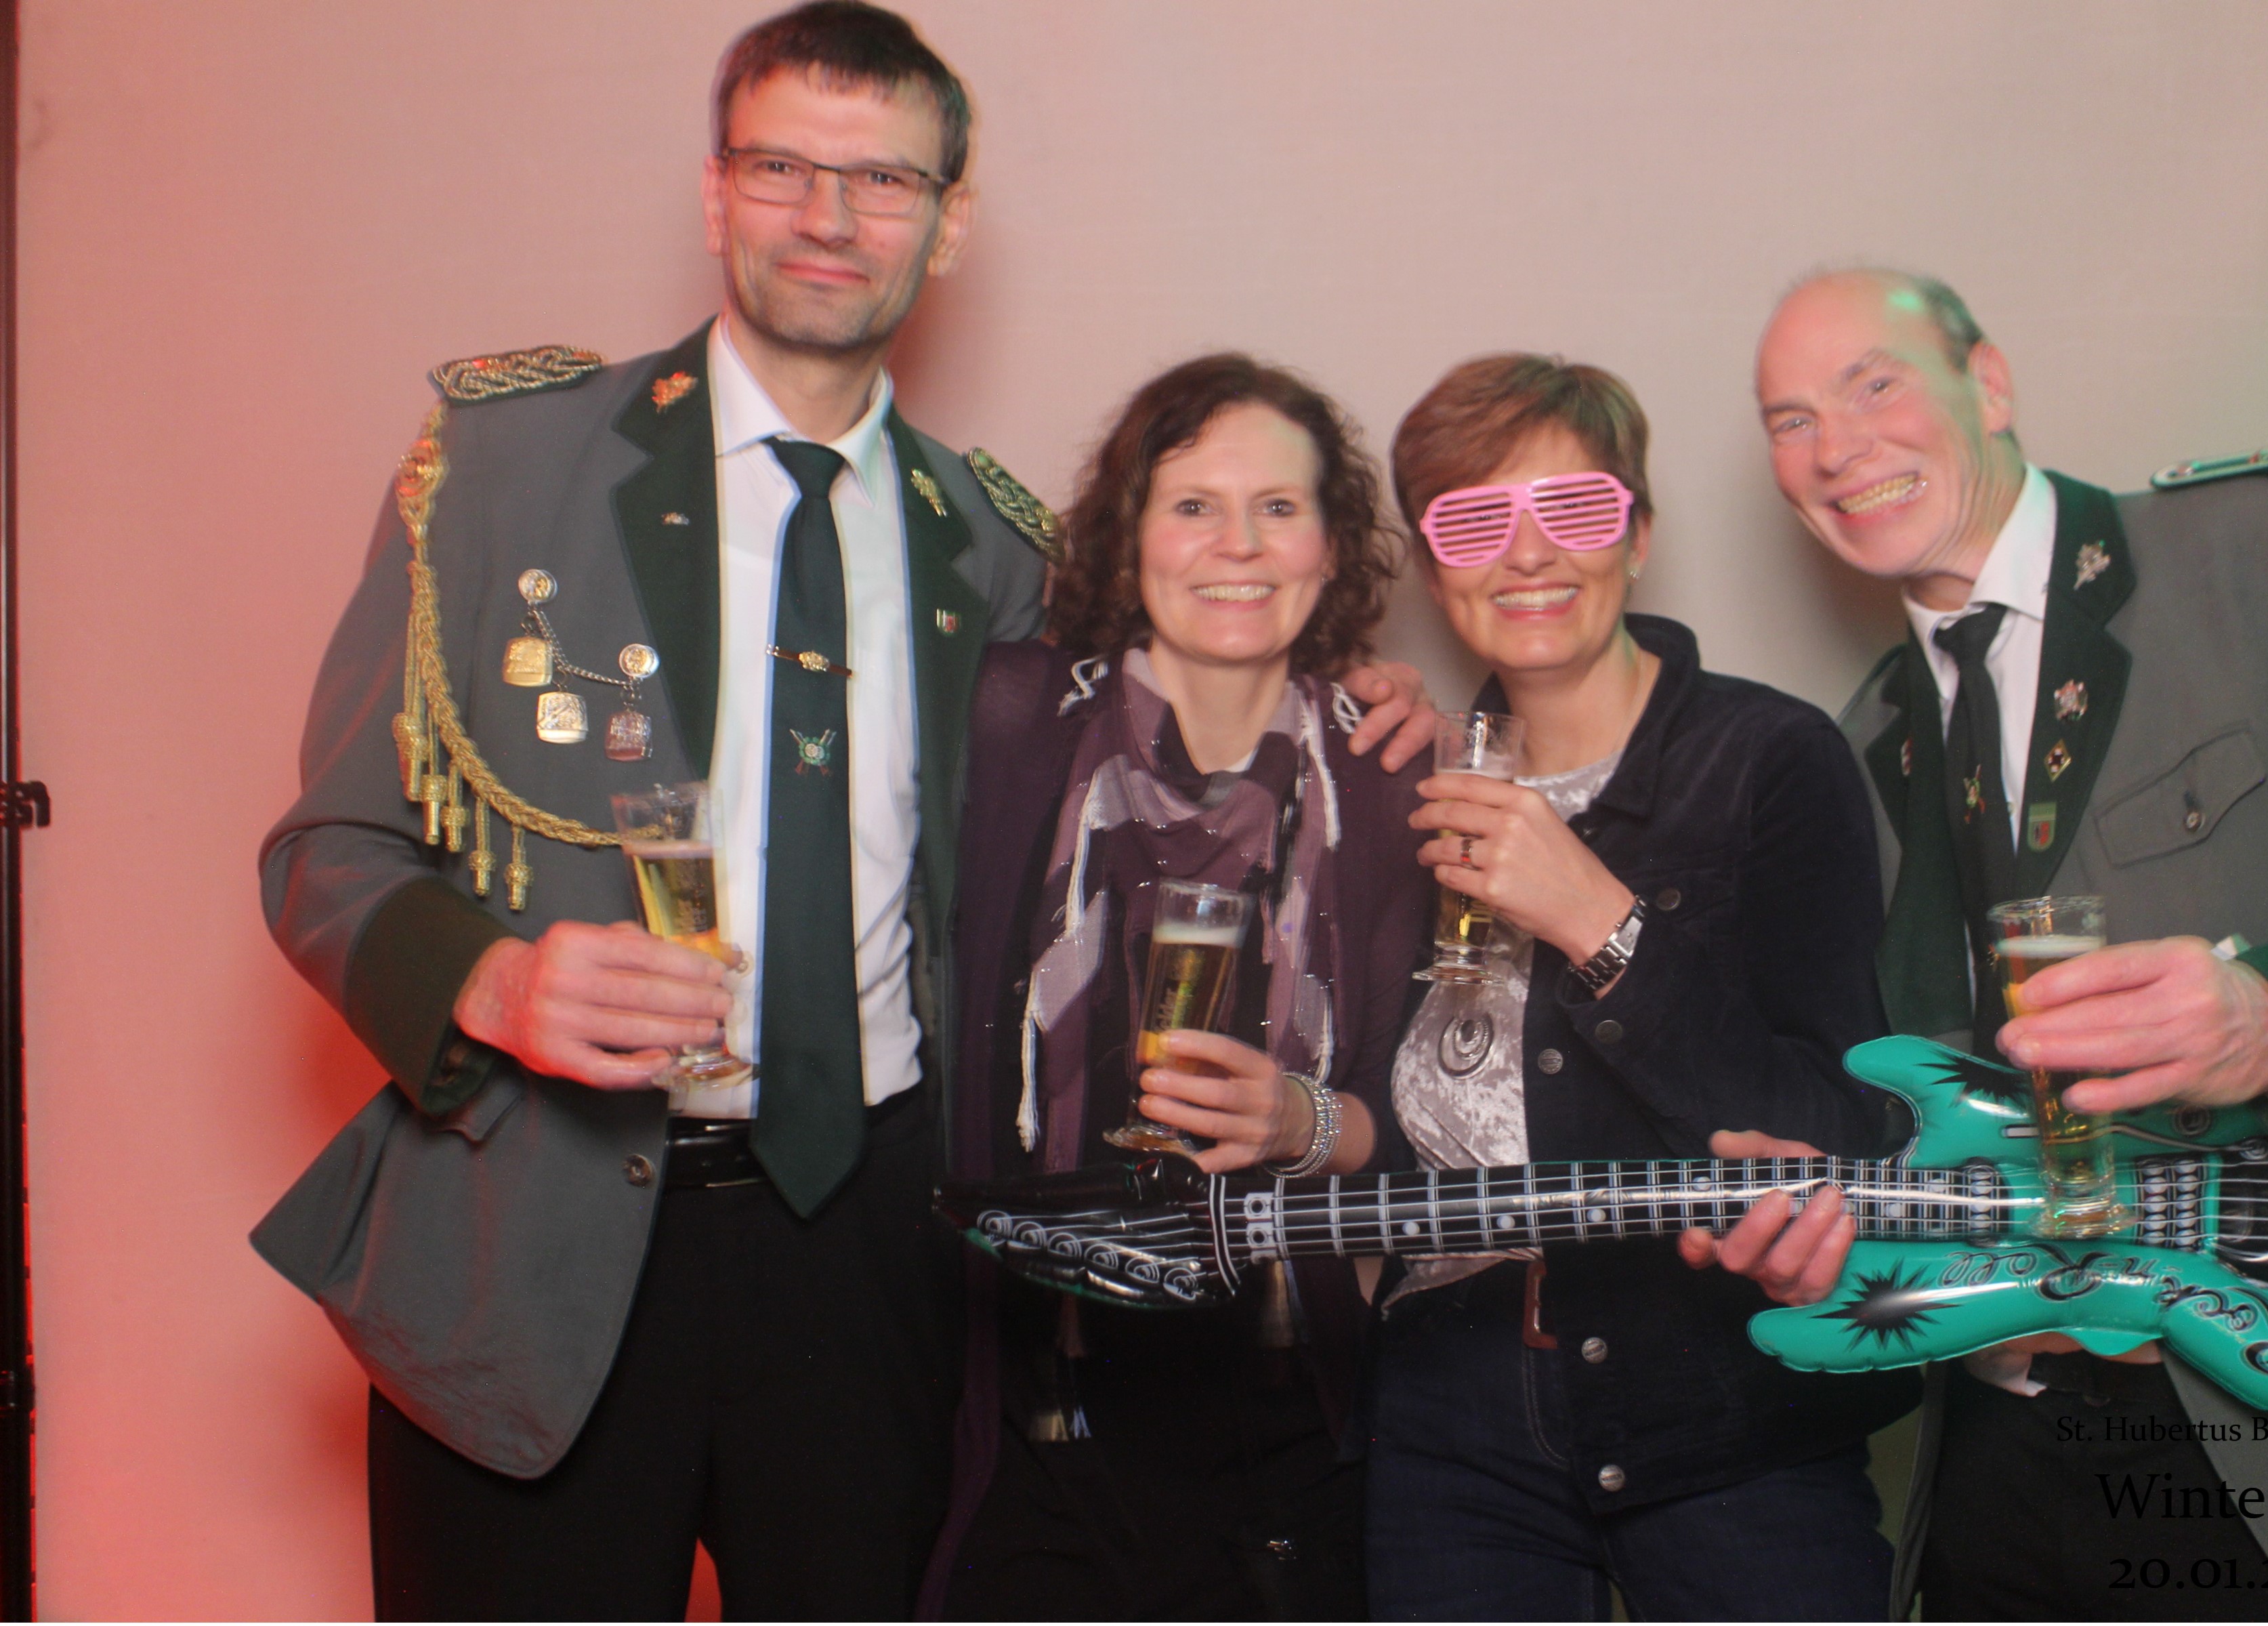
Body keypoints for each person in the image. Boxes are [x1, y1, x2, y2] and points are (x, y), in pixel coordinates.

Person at [249, 6, 1434, 1616]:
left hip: (875, 1257)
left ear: (947, 223)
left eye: (883, 179)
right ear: (715, 191)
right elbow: (328, 850)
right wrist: (493, 981)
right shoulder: (504, 467)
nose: (830, 216)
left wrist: (1357, 687)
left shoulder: (998, 553)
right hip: (534, 1228)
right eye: (783, 167)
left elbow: (1191, 696)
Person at [1683, 266, 2268, 1620]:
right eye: (1789, 420)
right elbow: (1931, 1110)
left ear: (1990, 384)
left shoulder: (2261, 547)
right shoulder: (1858, 747)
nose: (1836, 446)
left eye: (1873, 384)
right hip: (2004, 1458)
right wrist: (1835, 1218)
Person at [1362, 354, 1919, 1622]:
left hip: (1720, 1408)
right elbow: (1406, 1126)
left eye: (1574, 507)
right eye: (1474, 522)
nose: (1527, 553)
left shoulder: (1772, 756)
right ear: (1434, 571)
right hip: (1447, 1418)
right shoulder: (1409, 784)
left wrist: (1598, 922)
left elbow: (1844, 1132)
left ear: (1640, 534)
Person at [924, 355, 1434, 1621]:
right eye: (1194, 504)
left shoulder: (1390, 781)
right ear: (1131, 532)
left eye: (1279, 508)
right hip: (1038, 1405)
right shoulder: (1006, 715)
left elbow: (1426, 1134)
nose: (1237, 545)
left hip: (1288, 1413)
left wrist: (1303, 1123)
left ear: (1331, 547)